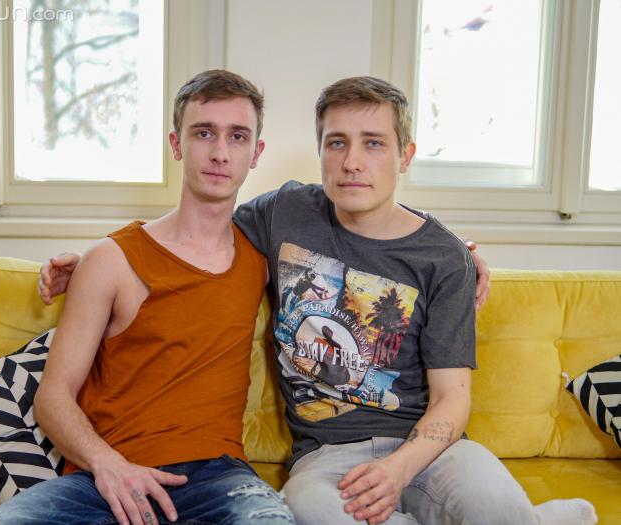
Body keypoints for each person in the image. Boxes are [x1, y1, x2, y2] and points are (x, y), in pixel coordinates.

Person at [40, 75, 595, 525]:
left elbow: (453, 400)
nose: (353, 162)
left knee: (496, 509)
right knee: (311, 513)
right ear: (321, 151)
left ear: (404, 155)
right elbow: (196, 225)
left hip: (431, 449)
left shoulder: (443, 257)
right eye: (337, 143)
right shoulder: (285, 213)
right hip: (325, 458)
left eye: (373, 143)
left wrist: (399, 470)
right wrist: (94, 262)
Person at [0, 70, 295, 525]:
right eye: (203, 133)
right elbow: (53, 398)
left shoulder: (261, 257)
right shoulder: (110, 260)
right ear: (176, 144)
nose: (220, 152)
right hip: (103, 479)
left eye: (237, 136)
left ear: (256, 152)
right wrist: (108, 466)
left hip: (219, 478)